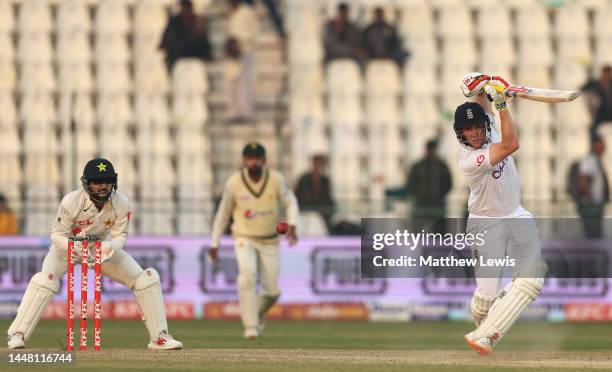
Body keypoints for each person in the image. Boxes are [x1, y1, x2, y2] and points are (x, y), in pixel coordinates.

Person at [7, 158, 183, 350]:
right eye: (98, 182)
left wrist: (111, 247)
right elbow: (57, 236)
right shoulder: (71, 202)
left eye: (107, 182)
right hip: (67, 250)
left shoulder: (121, 202)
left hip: (100, 250)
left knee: (146, 279)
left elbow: (120, 235)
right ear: (87, 183)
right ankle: (17, 334)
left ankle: (159, 338)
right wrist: (75, 247)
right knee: (45, 281)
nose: (103, 187)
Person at [456, 73, 547, 355]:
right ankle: (482, 325)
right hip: (486, 226)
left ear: (486, 124)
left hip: (516, 215)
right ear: (460, 133)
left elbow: (480, 95)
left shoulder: (491, 127)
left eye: (477, 127)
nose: (474, 133)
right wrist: (503, 104)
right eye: (468, 129)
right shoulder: (469, 161)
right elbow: (511, 145)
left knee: (532, 277)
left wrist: (485, 84)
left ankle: (486, 337)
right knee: (485, 298)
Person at [209, 143, 299, 339]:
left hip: (270, 241)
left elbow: (290, 202)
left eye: (257, 158)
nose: (253, 162)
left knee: (273, 291)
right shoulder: (234, 183)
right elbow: (223, 213)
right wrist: (214, 241)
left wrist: (292, 223)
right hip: (244, 238)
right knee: (247, 276)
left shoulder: (275, 180)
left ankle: (256, 313)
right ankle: (250, 326)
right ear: (244, 161)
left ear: (264, 160)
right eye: (250, 158)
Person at [386, 140, 452, 233]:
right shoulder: (419, 166)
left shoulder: (441, 166)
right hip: (421, 206)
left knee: (438, 236)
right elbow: (410, 186)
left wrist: (438, 197)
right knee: (417, 233)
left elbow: (448, 185)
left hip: (436, 206)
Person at [226, 0, 260, 121]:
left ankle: (246, 113)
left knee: (245, 83)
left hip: (245, 51)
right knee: (234, 83)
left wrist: (240, 41)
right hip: (233, 53)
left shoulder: (247, 12)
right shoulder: (232, 13)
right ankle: (235, 113)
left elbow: (254, 31)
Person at [159, 0, 212, 72]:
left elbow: (203, 43)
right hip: (177, 58)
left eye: (185, 8)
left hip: (195, 57)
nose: (184, 11)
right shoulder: (174, 22)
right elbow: (166, 41)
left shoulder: (198, 21)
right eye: (182, 8)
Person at [577, 135, 609, 238]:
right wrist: (591, 202)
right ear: (595, 145)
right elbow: (582, 180)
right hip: (590, 207)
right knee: (593, 237)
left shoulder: (596, 160)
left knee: (596, 236)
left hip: (595, 206)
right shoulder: (589, 160)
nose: (604, 147)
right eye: (602, 145)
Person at [294, 155, 335, 233]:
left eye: (320, 164)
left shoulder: (325, 180)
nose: (318, 167)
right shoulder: (304, 179)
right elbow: (298, 195)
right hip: (305, 210)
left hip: (321, 211)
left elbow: (328, 198)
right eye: (317, 164)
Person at [582, 65, 612, 133]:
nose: (607, 76)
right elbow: (583, 89)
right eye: (606, 74)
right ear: (602, 74)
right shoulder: (596, 84)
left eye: (609, 74)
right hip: (601, 113)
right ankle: (594, 142)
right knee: (592, 129)